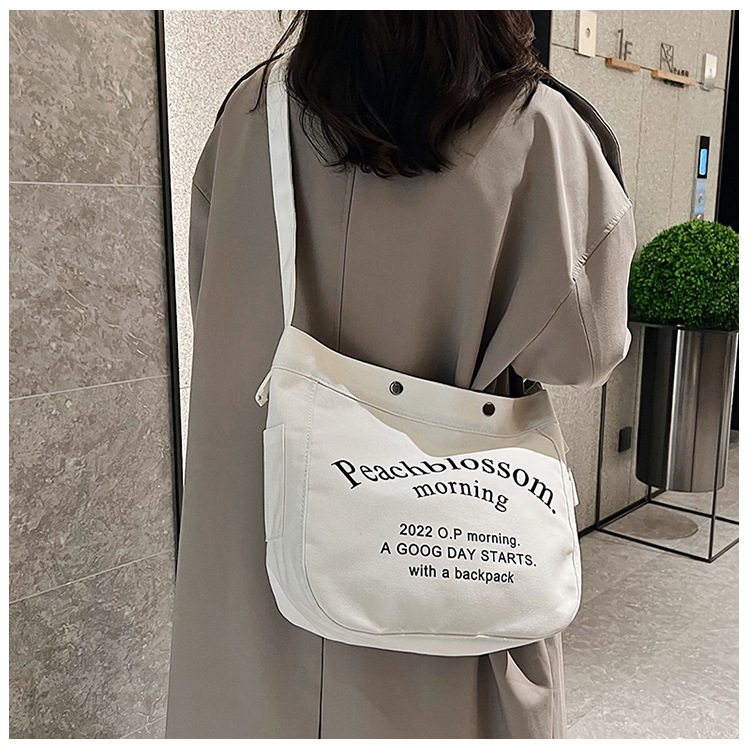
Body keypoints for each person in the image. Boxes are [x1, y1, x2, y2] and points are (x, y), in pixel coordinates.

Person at [165, 10, 636, 739]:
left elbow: (220, 302)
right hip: (444, 592)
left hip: (256, 590)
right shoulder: (539, 129)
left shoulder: (252, 115)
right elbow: (585, 351)